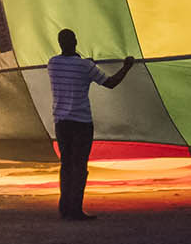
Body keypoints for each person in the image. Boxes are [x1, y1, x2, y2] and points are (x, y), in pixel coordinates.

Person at [44, 30, 136, 221]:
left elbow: (72, 66)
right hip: (81, 123)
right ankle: (76, 209)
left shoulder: (53, 63)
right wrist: (127, 67)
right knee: (80, 166)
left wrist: (85, 62)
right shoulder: (84, 66)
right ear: (76, 41)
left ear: (59, 43)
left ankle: (64, 207)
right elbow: (110, 83)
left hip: (61, 122)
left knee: (66, 164)